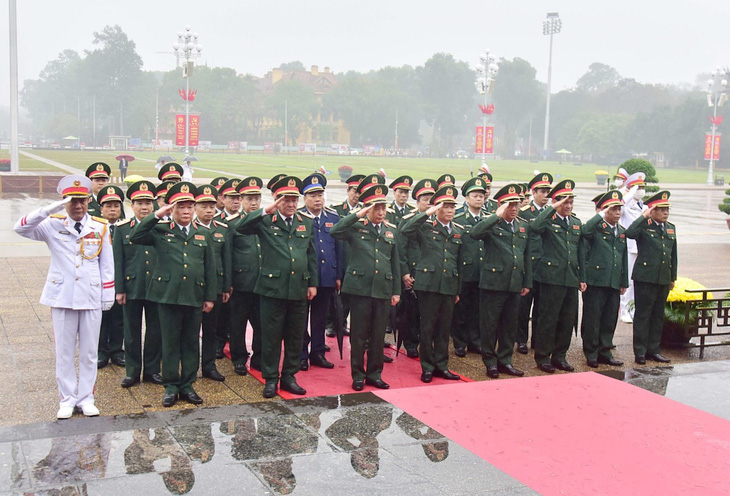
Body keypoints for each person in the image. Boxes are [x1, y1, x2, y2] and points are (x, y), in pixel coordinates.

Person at [14, 174, 114, 419]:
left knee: (90, 352)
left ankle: (86, 398)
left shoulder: (100, 227)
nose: (78, 206)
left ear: (89, 201)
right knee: (65, 352)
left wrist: (107, 294)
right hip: (62, 296)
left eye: (82, 201)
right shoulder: (52, 224)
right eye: (72, 201)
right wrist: (50, 209)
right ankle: (67, 399)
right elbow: (20, 227)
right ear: (64, 203)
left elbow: (107, 264)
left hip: (91, 296)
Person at [129, 182, 217, 407]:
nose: (186, 212)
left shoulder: (203, 233)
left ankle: (187, 384)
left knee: (190, 342)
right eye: (180, 207)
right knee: (169, 342)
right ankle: (170, 386)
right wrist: (158, 214)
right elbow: (135, 235)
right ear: (173, 209)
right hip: (167, 295)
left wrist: (209, 297)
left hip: (194, 295)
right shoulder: (161, 230)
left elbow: (209, 267)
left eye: (189, 207)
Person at [236, 176, 318, 398]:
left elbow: (311, 254)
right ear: (276, 199)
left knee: (295, 336)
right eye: (286, 200)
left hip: (298, 289)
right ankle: (271, 378)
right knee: (271, 337)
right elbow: (240, 228)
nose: (291, 204)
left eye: (294, 200)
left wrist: (313, 283)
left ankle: (289, 377)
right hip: (273, 289)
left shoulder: (305, 222)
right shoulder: (265, 221)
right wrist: (265, 210)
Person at [330, 181, 400, 391]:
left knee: (378, 335)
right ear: (367, 208)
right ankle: (358, 375)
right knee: (359, 335)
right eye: (375, 208)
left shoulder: (391, 230)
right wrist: (358, 215)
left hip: (382, 288)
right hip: (360, 289)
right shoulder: (355, 227)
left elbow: (394, 262)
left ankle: (375, 374)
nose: (380, 212)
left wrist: (396, 291)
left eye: (382, 208)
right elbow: (335, 231)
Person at [400, 185, 463, 383]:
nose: (451, 210)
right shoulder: (426, 227)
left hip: (448, 285)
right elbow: (406, 229)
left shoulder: (458, 231)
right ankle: (427, 366)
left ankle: (442, 366)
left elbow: (459, 262)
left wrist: (457, 289)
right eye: (446, 207)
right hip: (428, 285)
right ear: (437, 209)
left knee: (444, 329)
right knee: (427, 327)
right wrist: (427, 213)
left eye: (453, 207)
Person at [470, 184, 531, 378]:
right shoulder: (491, 223)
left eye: (516, 205)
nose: (513, 209)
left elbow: (526, 255)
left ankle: (505, 360)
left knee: (509, 325)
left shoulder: (522, 225)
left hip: (514, 283)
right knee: (489, 325)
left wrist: (526, 282)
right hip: (493, 283)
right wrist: (496, 215)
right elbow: (474, 233)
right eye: (509, 205)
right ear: (500, 205)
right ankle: (490, 362)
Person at [529, 179, 586, 373]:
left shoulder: (576, 223)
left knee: (566, 319)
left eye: (570, 203)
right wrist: (552, 208)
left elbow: (580, 253)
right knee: (548, 319)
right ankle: (543, 356)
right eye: (564, 203)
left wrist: (582, 278)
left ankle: (560, 356)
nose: (568, 206)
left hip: (570, 277)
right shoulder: (548, 221)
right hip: (551, 277)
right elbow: (535, 227)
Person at [113, 180, 163, 388]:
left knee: (155, 331)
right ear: (131, 205)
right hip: (132, 287)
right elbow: (118, 261)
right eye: (140, 203)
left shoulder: (160, 227)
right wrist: (120, 290)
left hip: (156, 287)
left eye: (148, 203)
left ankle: (152, 370)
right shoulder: (122, 229)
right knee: (131, 333)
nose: (145, 207)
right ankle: (132, 371)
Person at [625, 191, 677, 365]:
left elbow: (673, 255)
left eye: (667, 209)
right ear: (652, 210)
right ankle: (640, 351)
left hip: (663, 278)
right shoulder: (644, 225)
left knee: (657, 315)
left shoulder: (670, 227)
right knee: (643, 315)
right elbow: (630, 233)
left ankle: (653, 350)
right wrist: (643, 216)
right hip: (645, 278)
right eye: (661, 209)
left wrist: (672, 277)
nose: (665, 213)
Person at [299, 173, 342, 371]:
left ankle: (317, 353)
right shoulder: (299, 217)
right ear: (304, 198)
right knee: (300, 318)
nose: (317, 199)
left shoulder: (333, 217)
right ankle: (300, 354)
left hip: (326, 276)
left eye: (320, 195)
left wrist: (338, 275)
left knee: (320, 318)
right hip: (305, 278)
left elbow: (338, 249)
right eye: (312, 195)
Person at [580, 190, 628, 368]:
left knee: (609, 318)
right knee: (593, 318)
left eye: (619, 209)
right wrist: (601, 213)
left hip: (613, 281)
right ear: (605, 210)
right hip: (596, 280)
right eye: (613, 209)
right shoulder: (596, 228)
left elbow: (623, 258)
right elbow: (584, 231)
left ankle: (605, 351)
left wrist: (623, 281)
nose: (617, 212)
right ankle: (591, 352)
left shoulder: (621, 231)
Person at [194, 184, 231, 382]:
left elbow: (226, 260)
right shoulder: (189, 227)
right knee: (190, 331)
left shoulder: (222, 229)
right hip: (192, 287)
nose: (209, 210)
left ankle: (209, 366)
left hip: (214, 287)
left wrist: (226, 287)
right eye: (204, 206)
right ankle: (190, 367)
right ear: (195, 207)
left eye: (211, 206)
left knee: (211, 330)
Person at [227, 177, 263, 373]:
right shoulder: (233, 224)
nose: (254, 203)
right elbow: (228, 255)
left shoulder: (266, 220)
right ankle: (239, 358)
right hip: (241, 283)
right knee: (238, 324)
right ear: (241, 200)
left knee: (262, 324)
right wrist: (229, 283)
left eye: (257, 198)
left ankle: (259, 357)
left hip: (263, 282)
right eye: (249, 199)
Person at [397, 178, 436, 358]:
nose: (428, 203)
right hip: (413, 272)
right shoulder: (408, 221)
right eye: (424, 199)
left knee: (428, 311)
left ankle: (426, 342)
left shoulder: (438, 221)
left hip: (432, 273)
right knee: (411, 311)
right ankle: (410, 343)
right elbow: (400, 249)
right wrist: (404, 272)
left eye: (431, 199)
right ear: (418, 201)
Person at [516, 172, 553, 355]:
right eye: (542, 191)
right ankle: (521, 339)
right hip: (530, 265)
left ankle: (537, 340)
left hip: (546, 266)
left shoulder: (552, 213)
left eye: (548, 191)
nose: (546, 195)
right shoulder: (524, 213)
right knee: (524, 307)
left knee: (542, 307)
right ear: (534, 192)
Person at [451, 177, 487, 358]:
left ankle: (475, 342)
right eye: (475, 196)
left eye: (481, 196)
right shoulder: (458, 219)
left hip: (482, 272)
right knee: (460, 310)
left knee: (477, 310)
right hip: (464, 271)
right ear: (467, 198)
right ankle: (459, 343)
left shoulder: (488, 219)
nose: (479, 199)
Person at [97, 185, 126, 370]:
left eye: (116, 205)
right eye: (108, 206)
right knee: (100, 317)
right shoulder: (95, 228)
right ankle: (101, 351)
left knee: (119, 317)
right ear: (101, 209)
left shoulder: (126, 229)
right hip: (99, 281)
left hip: (121, 280)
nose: (113, 209)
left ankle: (116, 350)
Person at [212, 179, 242, 357]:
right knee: (221, 313)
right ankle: (219, 342)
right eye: (231, 197)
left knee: (236, 314)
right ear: (223, 199)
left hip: (242, 275)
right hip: (223, 274)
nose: (236, 201)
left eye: (239, 197)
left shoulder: (246, 219)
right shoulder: (216, 221)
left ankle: (232, 339)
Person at [618, 172, 647, 323]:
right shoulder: (626, 206)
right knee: (627, 281)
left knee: (637, 281)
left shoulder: (644, 206)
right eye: (638, 187)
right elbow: (619, 205)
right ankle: (624, 310)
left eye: (642, 187)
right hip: (629, 247)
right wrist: (630, 191)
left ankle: (633, 309)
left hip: (641, 248)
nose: (641, 190)